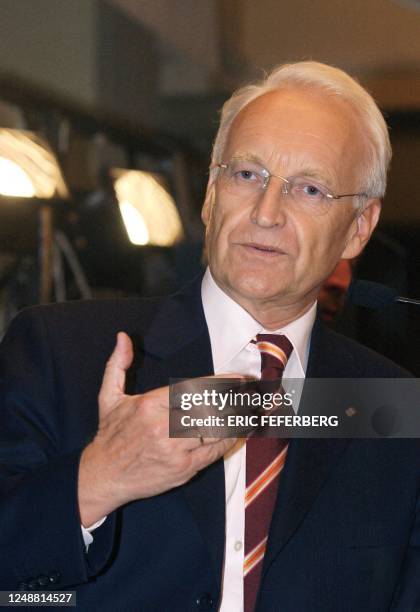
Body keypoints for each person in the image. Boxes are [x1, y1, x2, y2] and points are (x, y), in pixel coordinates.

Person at [1, 61, 419, 612]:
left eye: (310, 189)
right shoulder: (63, 351)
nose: (266, 213)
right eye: (247, 175)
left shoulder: (387, 405)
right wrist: (95, 481)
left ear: (359, 227)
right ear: (209, 194)